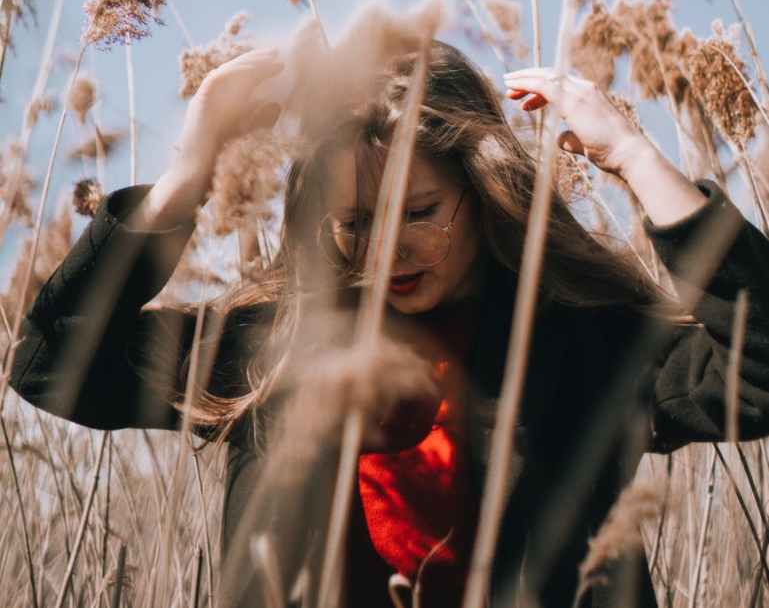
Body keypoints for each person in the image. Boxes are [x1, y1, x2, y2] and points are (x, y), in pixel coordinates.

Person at [10, 39, 769, 608]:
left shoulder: (580, 340)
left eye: (420, 212)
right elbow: (50, 365)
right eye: (353, 222)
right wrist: (190, 168)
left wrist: (634, 157)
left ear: (482, 193)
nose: (387, 248)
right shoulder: (268, 346)